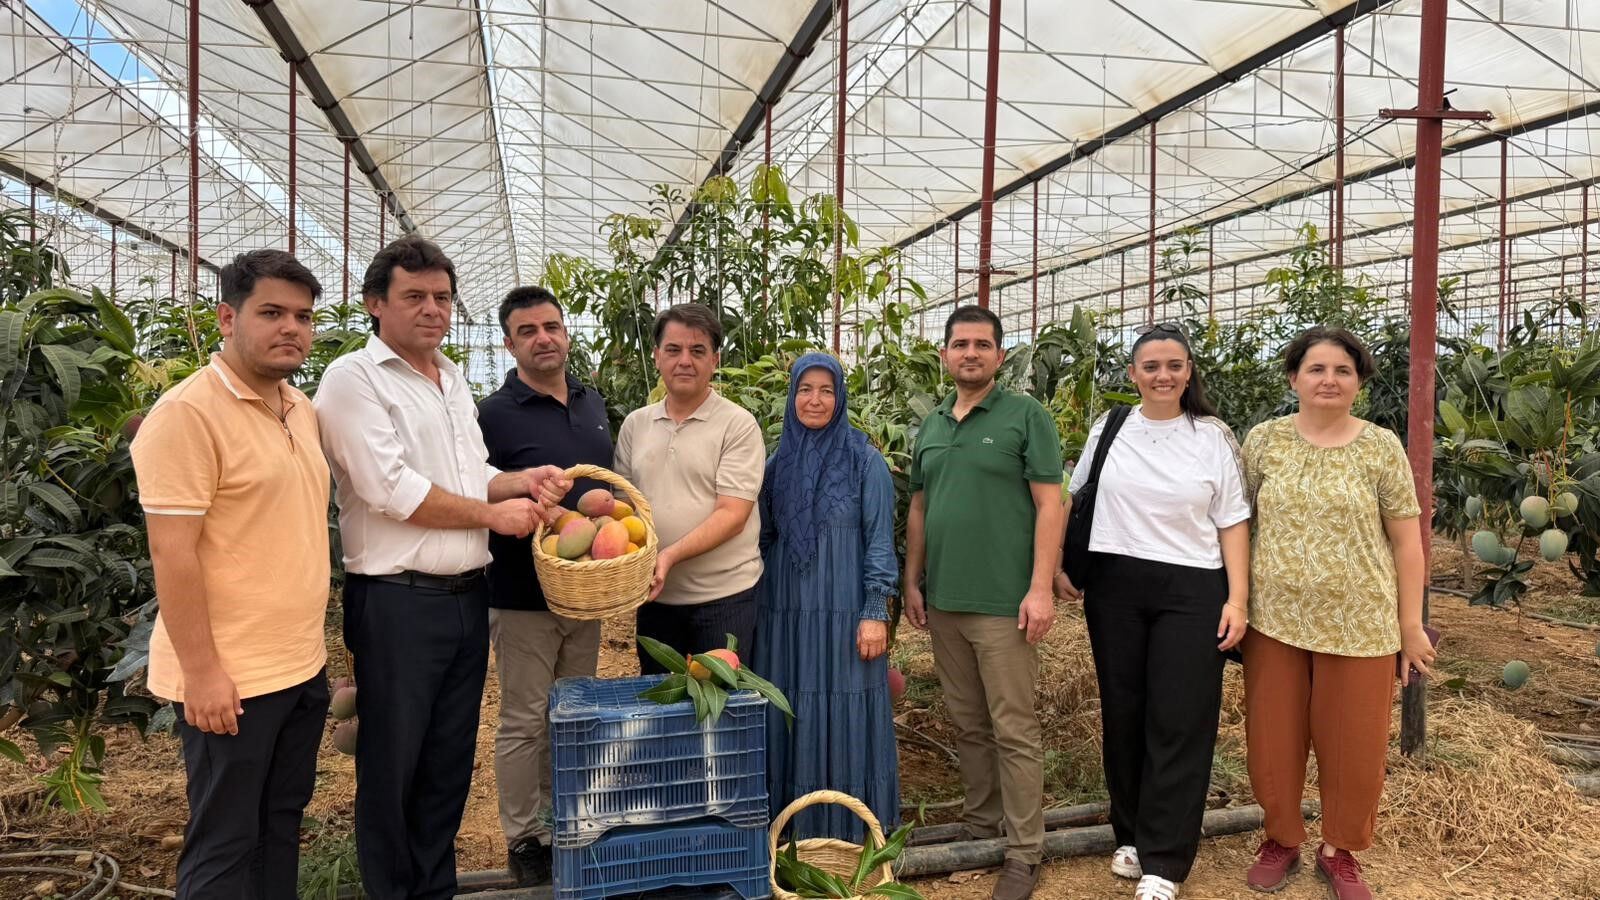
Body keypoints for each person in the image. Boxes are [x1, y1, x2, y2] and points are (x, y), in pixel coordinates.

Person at [313, 237, 568, 900]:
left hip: (465, 597)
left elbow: (468, 473)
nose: (433, 309)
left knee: (447, 762)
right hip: (397, 601)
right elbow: (390, 489)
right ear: (375, 303)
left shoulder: (450, 378)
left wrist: (519, 481)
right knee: (393, 763)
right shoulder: (353, 379)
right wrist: (493, 517)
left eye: (442, 297)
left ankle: (434, 888)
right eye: (415, 297)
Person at [132, 250, 330, 899]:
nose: (291, 328)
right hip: (233, 679)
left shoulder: (297, 406)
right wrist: (202, 673)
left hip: (299, 666)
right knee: (224, 841)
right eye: (271, 312)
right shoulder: (187, 414)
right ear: (227, 317)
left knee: (280, 823)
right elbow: (173, 553)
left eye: (302, 316)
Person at [1055, 323, 1251, 900]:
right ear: (1133, 373)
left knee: (1180, 718)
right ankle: (1132, 834)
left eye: (1174, 365)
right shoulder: (1111, 426)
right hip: (1114, 583)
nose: (1163, 375)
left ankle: (1164, 860)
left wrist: (1237, 598)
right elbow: (1076, 498)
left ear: (1189, 372)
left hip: (1192, 587)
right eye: (1151, 366)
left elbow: (1233, 521)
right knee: (1124, 711)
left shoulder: (1212, 436)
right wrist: (1062, 565)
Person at [1239, 326, 1435, 900]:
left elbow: (1407, 542)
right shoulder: (1264, 441)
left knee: (1355, 744)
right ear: (1293, 378)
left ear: (1358, 383)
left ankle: (1340, 850)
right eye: (1317, 369)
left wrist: (1410, 626)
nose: (1329, 380)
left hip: (1361, 622)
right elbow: (1238, 524)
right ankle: (1281, 838)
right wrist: (1235, 600)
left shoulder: (1380, 447)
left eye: (1342, 371)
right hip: (1274, 618)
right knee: (1273, 737)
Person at [904, 305, 1064, 900]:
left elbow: (1051, 504)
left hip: (1003, 603)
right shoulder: (933, 424)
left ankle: (1024, 852)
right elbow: (920, 506)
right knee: (969, 725)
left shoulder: (1026, 416)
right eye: (960, 344)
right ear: (944, 354)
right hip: (946, 602)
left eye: (981, 344)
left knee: (1013, 728)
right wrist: (913, 581)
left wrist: (1040, 586)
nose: (970, 353)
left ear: (999, 354)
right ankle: (979, 828)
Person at [476, 286, 612, 887]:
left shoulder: (591, 401)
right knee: (525, 719)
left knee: (573, 713)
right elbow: (474, 485)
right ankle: (524, 836)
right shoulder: (492, 414)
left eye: (551, 326)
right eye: (527, 331)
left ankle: (568, 820)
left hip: (585, 592)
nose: (543, 338)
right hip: (521, 593)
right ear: (510, 345)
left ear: (566, 333)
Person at [755, 352, 901, 842]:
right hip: (786, 613)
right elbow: (764, 539)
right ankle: (790, 832)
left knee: (845, 707)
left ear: (840, 398)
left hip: (843, 611)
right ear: (791, 396)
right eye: (805, 390)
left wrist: (875, 610)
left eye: (826, 390)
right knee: (789, 708)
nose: (814, 400)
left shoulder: (864, 460)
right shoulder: (776, 465)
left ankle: (850, 833)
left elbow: (879, 541)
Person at [614, 303, 765, 669]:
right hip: (656, 597)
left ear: (714, 360)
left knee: (721, 700)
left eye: (697, 351)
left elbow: (732, 515)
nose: (685, 360)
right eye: (673, 349)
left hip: (724, 597)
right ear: (656, 357)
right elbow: (623, 505)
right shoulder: (636, 425)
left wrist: (667, 556)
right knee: (660, 695)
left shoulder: (737, 424)